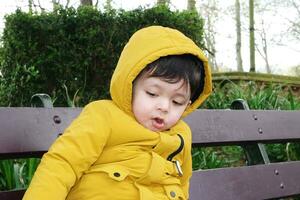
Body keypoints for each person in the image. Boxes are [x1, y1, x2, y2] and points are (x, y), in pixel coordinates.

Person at [23, 26, 212, 200]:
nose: (164, 107)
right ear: (130, 85)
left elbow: (182, 181)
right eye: (152, 93)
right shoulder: (104, 116)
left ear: (188, 104)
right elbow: (62, 164)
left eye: (177, 102)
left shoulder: (181, 135)